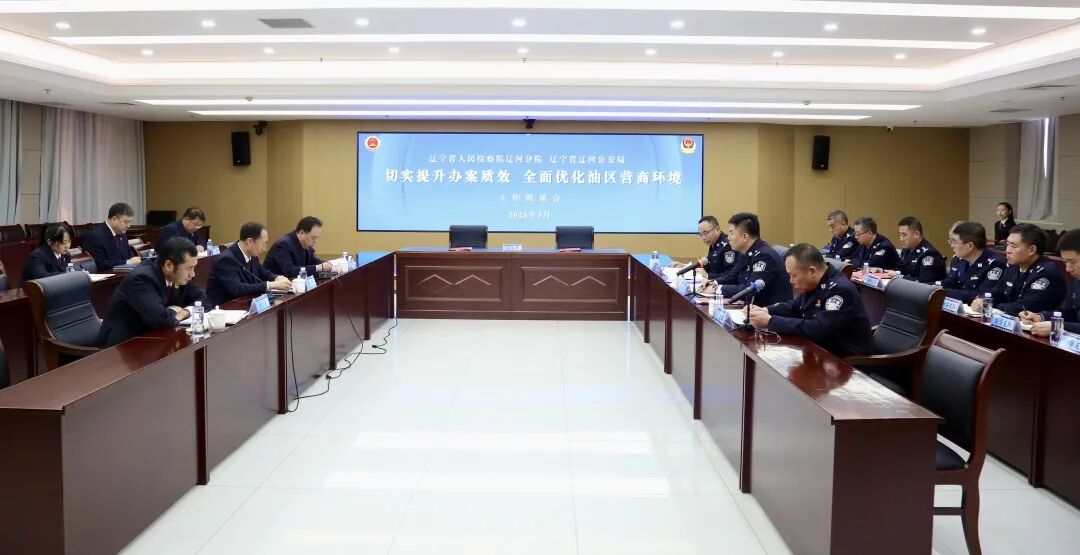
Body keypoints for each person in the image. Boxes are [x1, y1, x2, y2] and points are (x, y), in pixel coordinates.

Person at [748, 244, 874, 357]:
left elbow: (819, 329)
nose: (791, 280)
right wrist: (766, 310)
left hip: (846, 361)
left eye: (793, 275)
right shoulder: (817, 282)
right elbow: (795, 307)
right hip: (820, 351)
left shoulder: (840, 290)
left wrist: (771, 321)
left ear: (812, 271)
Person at [98, 237, 210, 348]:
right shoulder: (141, 279)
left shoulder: (177, 276)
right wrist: (175, 311)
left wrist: (185, 312)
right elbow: (161, 320)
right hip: (122, 347)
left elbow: (204, 300)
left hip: (151, 339)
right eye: (189, 268)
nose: (193, 274)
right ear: (169, 265)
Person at [699, 212, 793, 307]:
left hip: (769, 311)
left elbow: (750, 289)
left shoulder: (764, 256)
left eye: (731, 233)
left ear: (745, 237)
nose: (728, 238)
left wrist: (718, 289)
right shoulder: (746, 252)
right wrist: (714, 282)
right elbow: (731, 276)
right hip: (750, 307)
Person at [971, 223, 1066, 316]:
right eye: (1007, 244)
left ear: (1032, 250)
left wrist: (992, 305)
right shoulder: (1014, 266)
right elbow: (998, 291)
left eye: (1013, 246)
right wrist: (982, 300)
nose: (1007, 250)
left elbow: (1025, 307)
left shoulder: (1047, 273)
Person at [207, 222, 292, 306]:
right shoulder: (226, 259)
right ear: (250, 242)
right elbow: (237, 288)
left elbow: (263, 273)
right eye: (263, 243)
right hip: (225, 308)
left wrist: (277, 278)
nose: (264, 248)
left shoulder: (252, 256)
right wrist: (270, 285)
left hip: (245, 304)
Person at [1021, 229, 1080, 336]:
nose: (1068, 269)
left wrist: (1059, 327)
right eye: (1065, 262)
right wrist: (1040, 317)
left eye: (1072, 262)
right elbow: (1067, 312)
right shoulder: (1077, 280)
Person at [940, 221, 1006, 303]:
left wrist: (944, 293)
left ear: (970, 246)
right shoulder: (958, 258)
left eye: (954, 241)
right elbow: (952, 282)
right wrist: (933, 288)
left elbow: (981, 296)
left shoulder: (996, 264)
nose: (952, 245)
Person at [674, 215, 743, 283]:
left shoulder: (728, 245)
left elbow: (731, 276)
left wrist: (708, 276)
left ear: (717, 229)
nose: (703, 238)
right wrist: (686, 267)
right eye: (700, 234)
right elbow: (709, 264)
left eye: (705, 233)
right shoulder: (714, 243)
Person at [265, 216, 333, 279]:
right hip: (275, 285)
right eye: (313, 238)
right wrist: (318, 267)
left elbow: (315, 264)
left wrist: (329, 266)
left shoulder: (307, 245)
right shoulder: (283, 245)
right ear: (301, 232)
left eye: (317, 238)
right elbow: (290, 271)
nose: (316, 241)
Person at [82, 202, 141, 272]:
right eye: (126, 222)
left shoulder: (122, 234)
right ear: (114, 219)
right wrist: (127, 262)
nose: (129, 226)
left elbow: (130, 257)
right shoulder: (95, 236)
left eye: (130, 222)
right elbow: (99, 264)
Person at [885, 216, 946, 283]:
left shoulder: (930, 254)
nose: (901, 239)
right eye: (899, 235)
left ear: (917, 234)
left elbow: (923, 282)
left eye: (904, 235)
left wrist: (899, 276)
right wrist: (883, 271)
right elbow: (900, 270)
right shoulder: (906, 250)